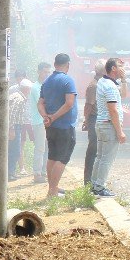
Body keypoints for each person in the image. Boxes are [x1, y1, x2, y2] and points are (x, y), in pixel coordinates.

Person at [38, 53, 78, 199]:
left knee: (52, 157)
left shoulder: (47, 81)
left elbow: (40, 103)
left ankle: (52, 189)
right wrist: (53, 117)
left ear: (55, 65)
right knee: (62, 159)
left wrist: (46, 117)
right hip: (65, 126)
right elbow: (69, 103)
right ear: (68, 65)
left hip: (51, 127)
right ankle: (53, 191)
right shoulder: (68, 80)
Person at [90, 59, 127, 197]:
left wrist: (124, 80)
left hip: (101, 124)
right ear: (113, 68)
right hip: (108, 125)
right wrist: (120, 132)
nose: (123, 68)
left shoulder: (103, 82)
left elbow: (123, 95)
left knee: (100, 157)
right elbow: (113, 110)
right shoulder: (110, 86)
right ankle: (99, 188)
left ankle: (94, 185)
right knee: (107, 158)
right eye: (120, 66)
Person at [28, 62, 51, 183]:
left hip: (45, 120)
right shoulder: (36, 87)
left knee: (46, 147)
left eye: (48, 72)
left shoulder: (45, 86)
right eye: (44, 72)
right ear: (39, 72)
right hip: (39, 121)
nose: (46, 74)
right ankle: (37, 173)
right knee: (40, 148)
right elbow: (42, 104)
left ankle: (43, 171)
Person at [81, 65, 103, 186]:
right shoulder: (94, 85)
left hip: (99, 119)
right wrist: (86, 120)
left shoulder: (101, 84)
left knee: (98, 151)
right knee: (93, 150)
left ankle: (95, 179)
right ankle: (88, 181)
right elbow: (88, 105)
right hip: (94, 119)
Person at [7, 85, 26, 180]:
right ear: (26, 89)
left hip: (12, 125)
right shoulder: (20, 99)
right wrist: (11, 128)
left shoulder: (14, 95)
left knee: (11, 149)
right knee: (15, 150)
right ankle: (10, 173)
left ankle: (11, 172)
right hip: (15, 126)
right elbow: (12, 113)